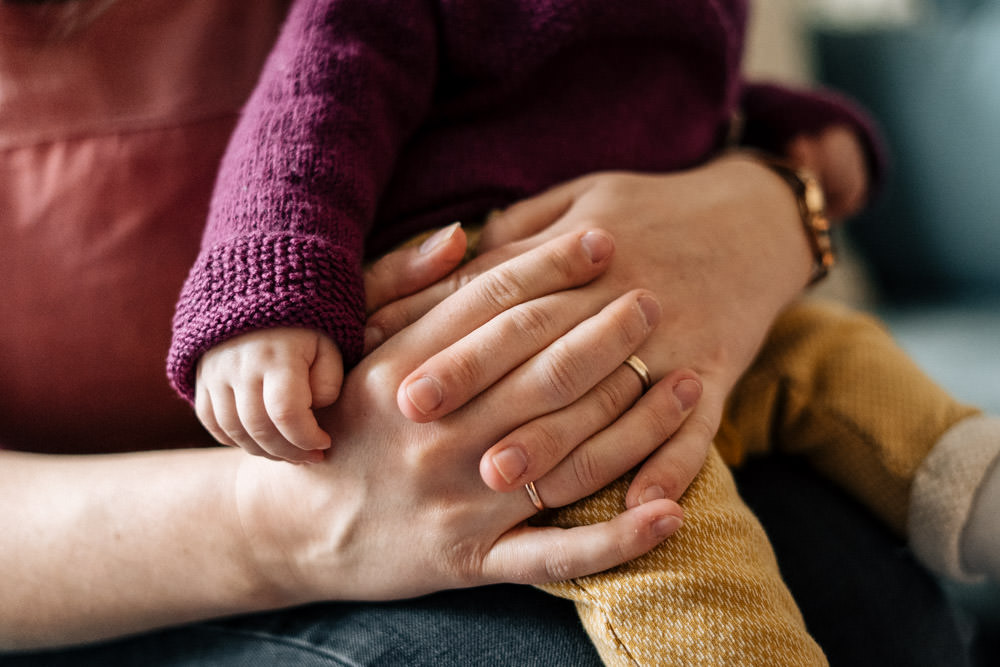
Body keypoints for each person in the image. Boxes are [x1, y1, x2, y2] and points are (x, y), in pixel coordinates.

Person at [0, 0, 982, 665]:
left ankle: (969, 487)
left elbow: (688, 90)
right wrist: (264, 304)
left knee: (854, 532)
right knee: (630, 554)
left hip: (637, 335)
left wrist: (770, 199)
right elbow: (304, 132)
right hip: (444, 391)